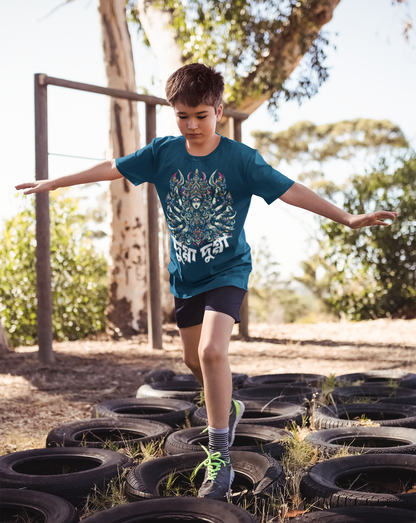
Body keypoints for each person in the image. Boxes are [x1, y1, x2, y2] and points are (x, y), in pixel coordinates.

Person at [15, 63, 398, 500]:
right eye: (183, 116)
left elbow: (290, 189)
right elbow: (112, 167)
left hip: (228, 271)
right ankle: (228, 407)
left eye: (201, 114)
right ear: (173, 113)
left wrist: (348, 217)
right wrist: (54, 181)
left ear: (218, 109)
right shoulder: (162, 153)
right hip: (186, 277)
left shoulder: (240, 159)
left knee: (213, 351)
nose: (192, 124)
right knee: (195, 363)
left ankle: (220, 458)